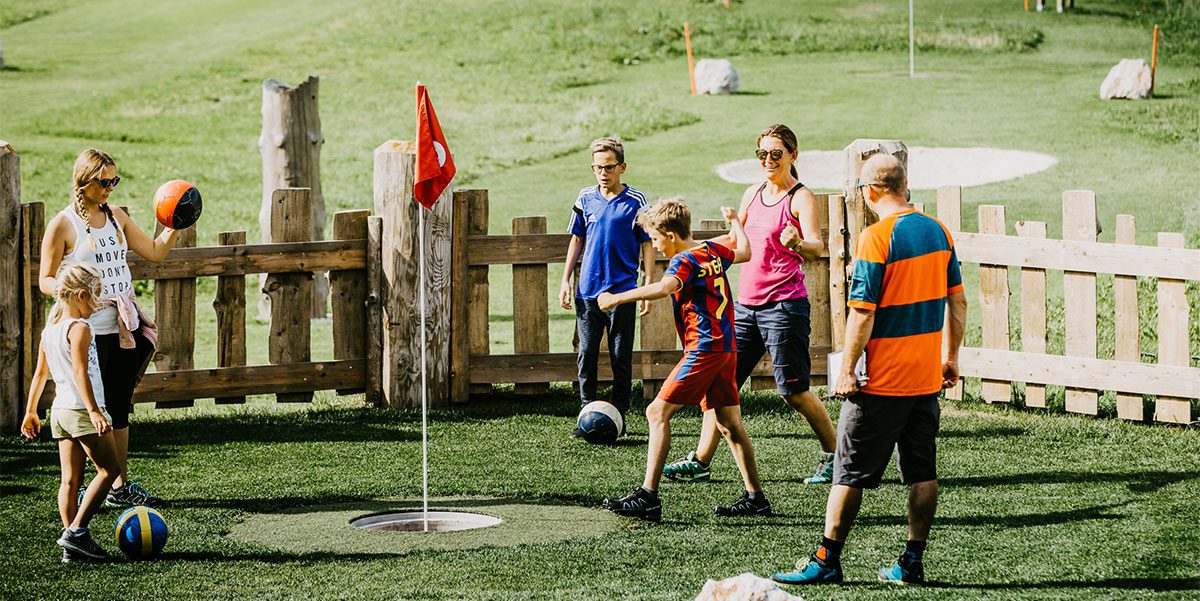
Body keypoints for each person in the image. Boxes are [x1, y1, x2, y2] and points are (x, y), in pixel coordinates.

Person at [771, 154, 967, 586]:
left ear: (870, 191)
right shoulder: (939, 231)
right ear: (904, 184)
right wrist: (950, 358)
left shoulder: (876, 238)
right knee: (923, 473)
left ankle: (826, 560)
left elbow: (863, 313)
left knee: (848, 473)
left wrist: (847, 370)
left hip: (881, 381)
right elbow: (958, 301)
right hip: (924, 380)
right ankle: (912, 562)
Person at [664, 124, 837, 485]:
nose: (769, 161)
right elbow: (735, 239)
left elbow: (817, 246)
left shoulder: (801, 197)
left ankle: (836, 456)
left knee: (793, 391)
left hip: (784, 306)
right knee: (720, 387)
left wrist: (797, 243)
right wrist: (691, 249)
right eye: (763, 154)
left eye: (776, 154)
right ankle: (700, 461)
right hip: (744, 308)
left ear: (793, 155)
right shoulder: (752, 193)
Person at [597, 198, 770, 521]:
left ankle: (648, 495)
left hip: (704, 348)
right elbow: (745, 252)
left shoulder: (684, 261)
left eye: (656, 239)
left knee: (656, 412)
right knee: (729, 424)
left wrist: (616, 298)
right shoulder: (711, 251)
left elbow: (664, 288)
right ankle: (755, 497)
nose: (656, 246)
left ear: (671, 235)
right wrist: (735, 223)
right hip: (726, 347)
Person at [38, 148, 182, 508]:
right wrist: (71, 292)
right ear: (83, 182)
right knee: (89, 411)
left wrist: (175, 224)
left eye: (114, 180)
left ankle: (118, 487)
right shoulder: (63, 224)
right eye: (104, 182)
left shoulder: (116, 217)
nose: (110, 188)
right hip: (84, 332)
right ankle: (88, 487)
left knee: (119, 408)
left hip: (120, 328)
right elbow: (44, 279)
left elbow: (154, 252)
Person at [21, 262, 121, 562]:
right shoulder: (80, 328)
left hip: (60, 412)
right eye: (95, 294)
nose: (98, 301)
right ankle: (76, 532)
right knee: (110, 470)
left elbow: (39, 375)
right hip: (80, 410)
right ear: (80, 295)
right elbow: (81, 371)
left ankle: (72, 547)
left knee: (70, 480)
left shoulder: (49, 331)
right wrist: (94, 411)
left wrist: (30, 411)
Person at [559, 137, 655, 435]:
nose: (603, 173)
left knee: (620, 356)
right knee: (586, 353)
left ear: (622, 167)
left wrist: (648, 282)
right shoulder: (585, 198)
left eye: (609, 167)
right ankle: (586, 410)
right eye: (597, 167)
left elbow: (648, 244)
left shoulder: (636, 201)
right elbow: (577, 239)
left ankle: (620, 414)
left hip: (622, 292)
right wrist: (564, 280)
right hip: (587, 291)